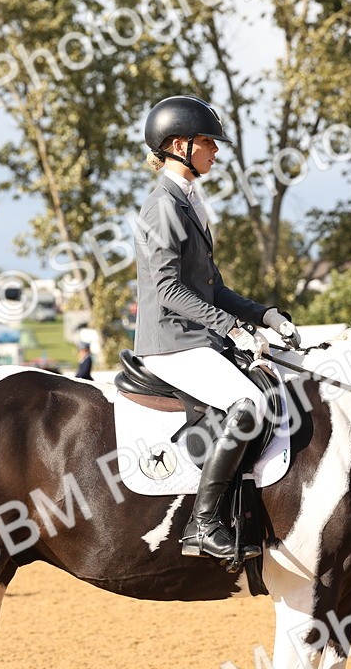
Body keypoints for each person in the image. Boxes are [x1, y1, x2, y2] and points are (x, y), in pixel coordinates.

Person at [132, 95, 301, 563]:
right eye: (209, 142)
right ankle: (203, 524)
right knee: (246, 405)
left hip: (195, 337)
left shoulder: (188, 202)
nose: (216, 151)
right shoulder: (163, 206)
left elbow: (213, 288)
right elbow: (167, 288)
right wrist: (233, 329)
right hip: (170, 343)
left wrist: (264, 315)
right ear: (179, 145)